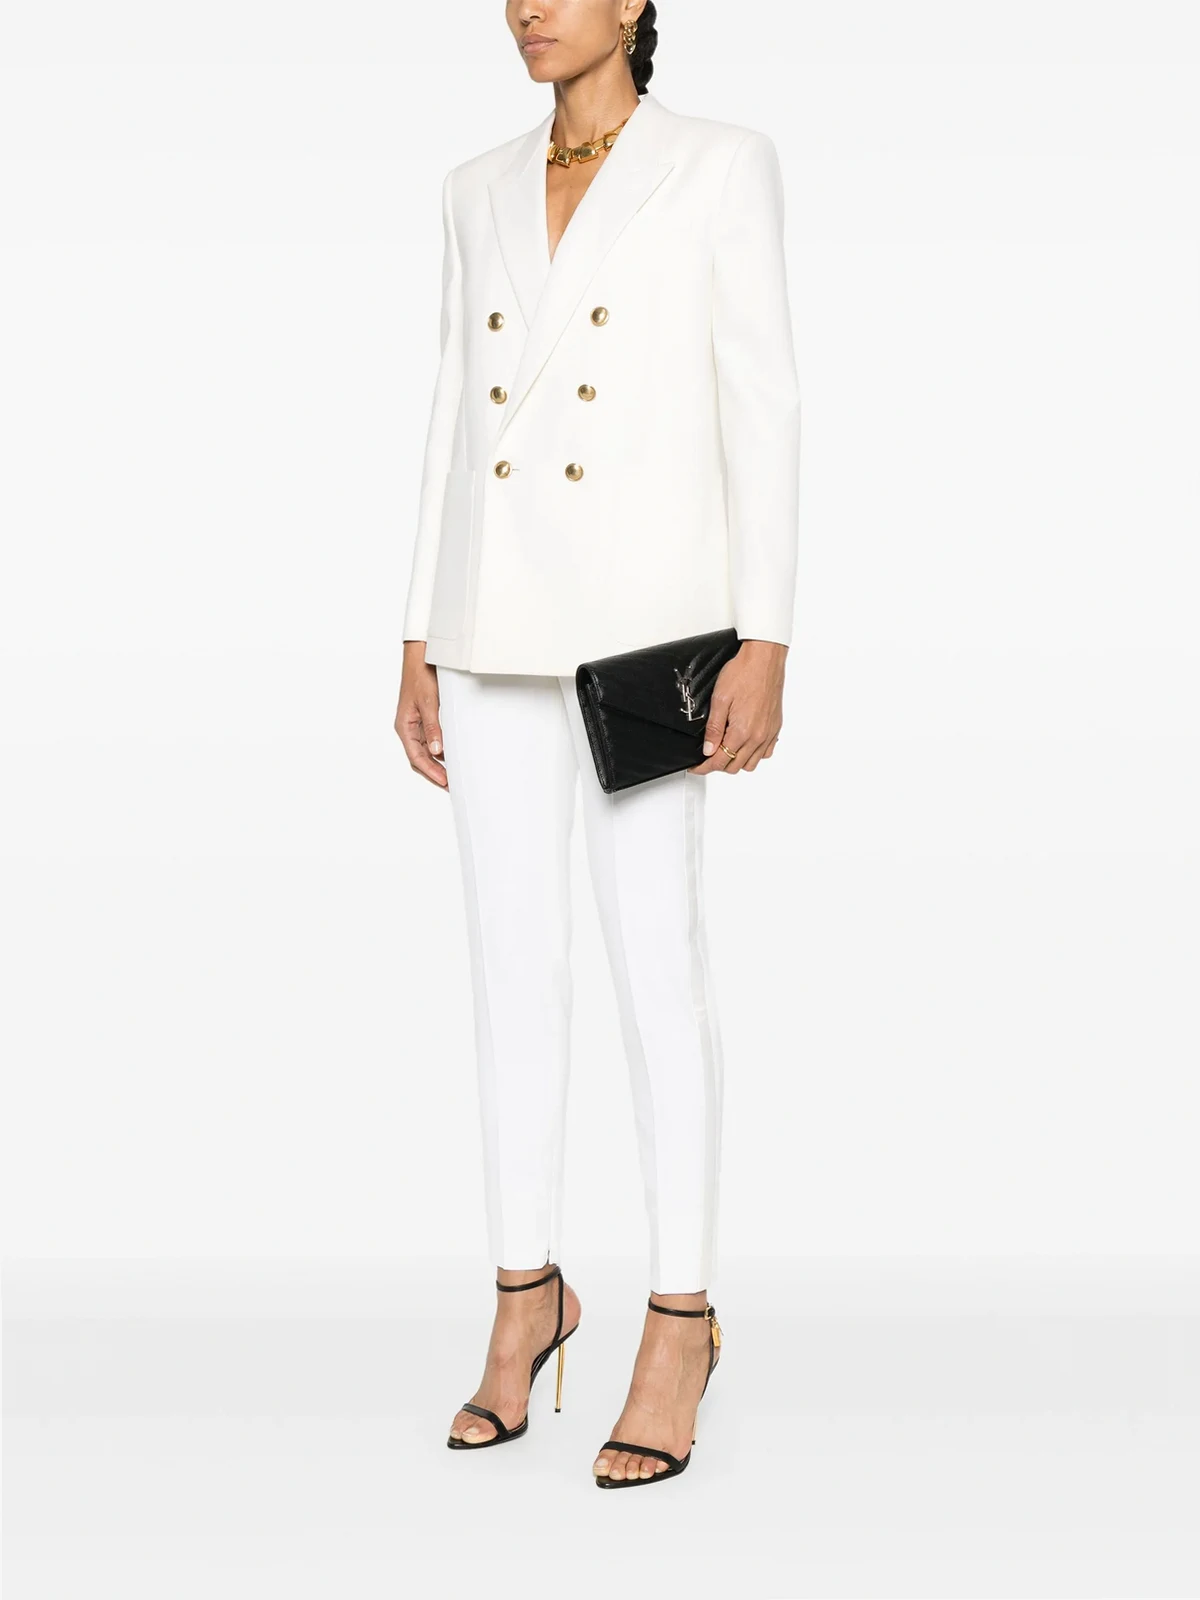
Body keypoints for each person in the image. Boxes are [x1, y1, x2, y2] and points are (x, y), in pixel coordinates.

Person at [393, 0, 800, 1488]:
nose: (527, 7)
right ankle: (527, 1296)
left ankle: (679, 1318)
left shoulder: (720, 162)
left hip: (647, 633)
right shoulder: (473, 185)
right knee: (510, 967)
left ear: (635, 3)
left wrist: (766, 635)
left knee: (654, 967)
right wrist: (419, 628)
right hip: (492, 620)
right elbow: (456, 407)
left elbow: (763, 401)